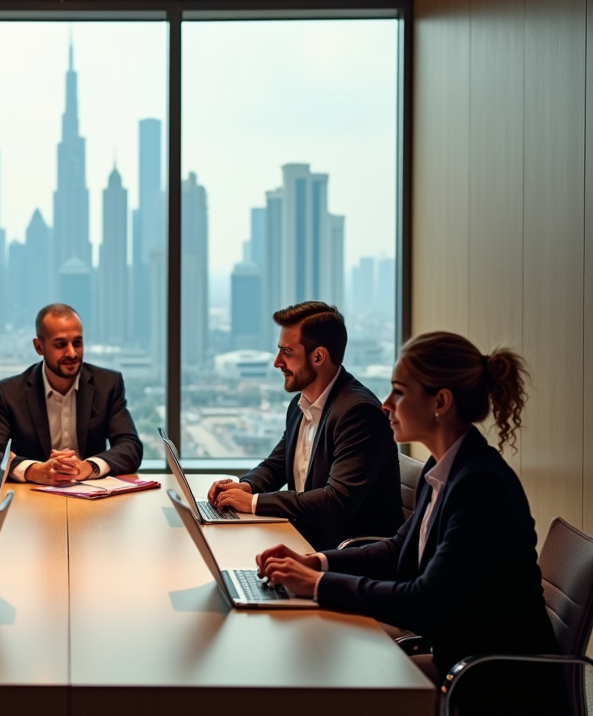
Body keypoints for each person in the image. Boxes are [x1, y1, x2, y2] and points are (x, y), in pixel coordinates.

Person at [257, 332, 562, 715]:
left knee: (326, 683)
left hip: (497, 684)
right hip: (460, 655)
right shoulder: (444, 467)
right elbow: (398, 547)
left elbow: (424, 602)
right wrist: (316, 563)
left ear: (440, 402)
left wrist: (318, 585)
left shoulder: (480, 486)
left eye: (399, 392)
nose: (385, 404)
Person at [208, 302, 401, 550]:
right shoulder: (301, 405)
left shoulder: (359, 413)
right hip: (301, 539)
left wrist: (254, 503)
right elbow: (275, 465)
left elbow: (336, 502)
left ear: (318, 356)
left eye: (287, 352)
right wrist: (245, 486)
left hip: (341, 557)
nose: (277, 362)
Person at [0, 303, 142, 484]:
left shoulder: (107, 384)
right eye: (60, 344)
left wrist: (89, 466)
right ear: (39, 347)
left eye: (77, 342)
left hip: (92, 497)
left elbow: (130, 446)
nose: (72, 353)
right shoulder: (9, 393)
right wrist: (33, 470)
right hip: (30, 501)